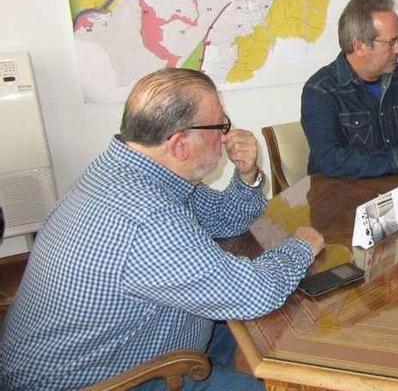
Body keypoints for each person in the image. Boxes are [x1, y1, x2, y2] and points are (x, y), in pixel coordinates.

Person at [0, 68, 325, 391]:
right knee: (270, 334)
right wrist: (301, 247)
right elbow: (254, 292)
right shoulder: (147, 214)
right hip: (102, 381)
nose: (227, 135)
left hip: (131, 342)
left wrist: (246, 175)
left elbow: (226, 221)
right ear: (180, 145)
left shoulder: (135, 171)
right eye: (220, 125)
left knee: (265, 332)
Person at [301, 0, 398, 178]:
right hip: (342, 197)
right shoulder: (320, 90)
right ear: (359, 47)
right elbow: (332, 161)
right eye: (391, 42)